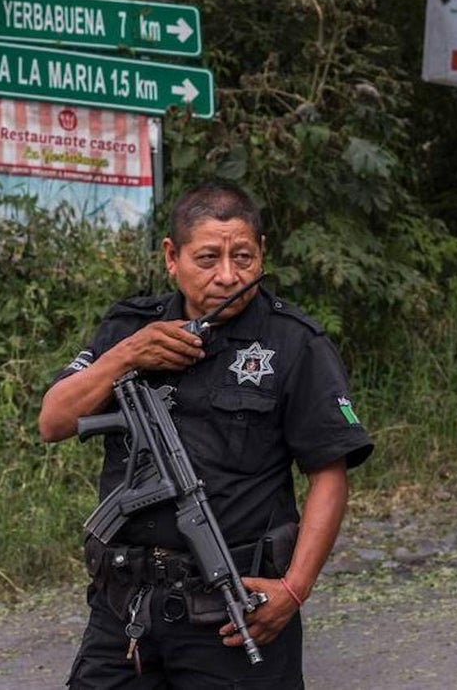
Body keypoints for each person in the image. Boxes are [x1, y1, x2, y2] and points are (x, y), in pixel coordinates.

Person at [39, 180, 373, 688]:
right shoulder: (130, 327)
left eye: (243, 257)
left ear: (261, 253)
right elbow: (53, 421)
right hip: (124, 609)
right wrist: (128, 356)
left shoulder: (294, 344)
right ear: (172, 257)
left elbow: (329, 473)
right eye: (208, 258)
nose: (227, 276)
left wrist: (295, 588)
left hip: (232, 611)